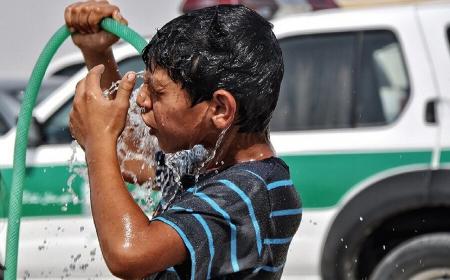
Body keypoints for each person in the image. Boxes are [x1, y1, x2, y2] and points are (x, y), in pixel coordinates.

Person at [65, 1, 302, 279]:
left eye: (157, 92)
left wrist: (97, 142)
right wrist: (98, 53)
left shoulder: (249, 193)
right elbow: (126, 158)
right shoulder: (206, 162)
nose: (141, 100)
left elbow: (129, 254)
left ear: (219, 109)